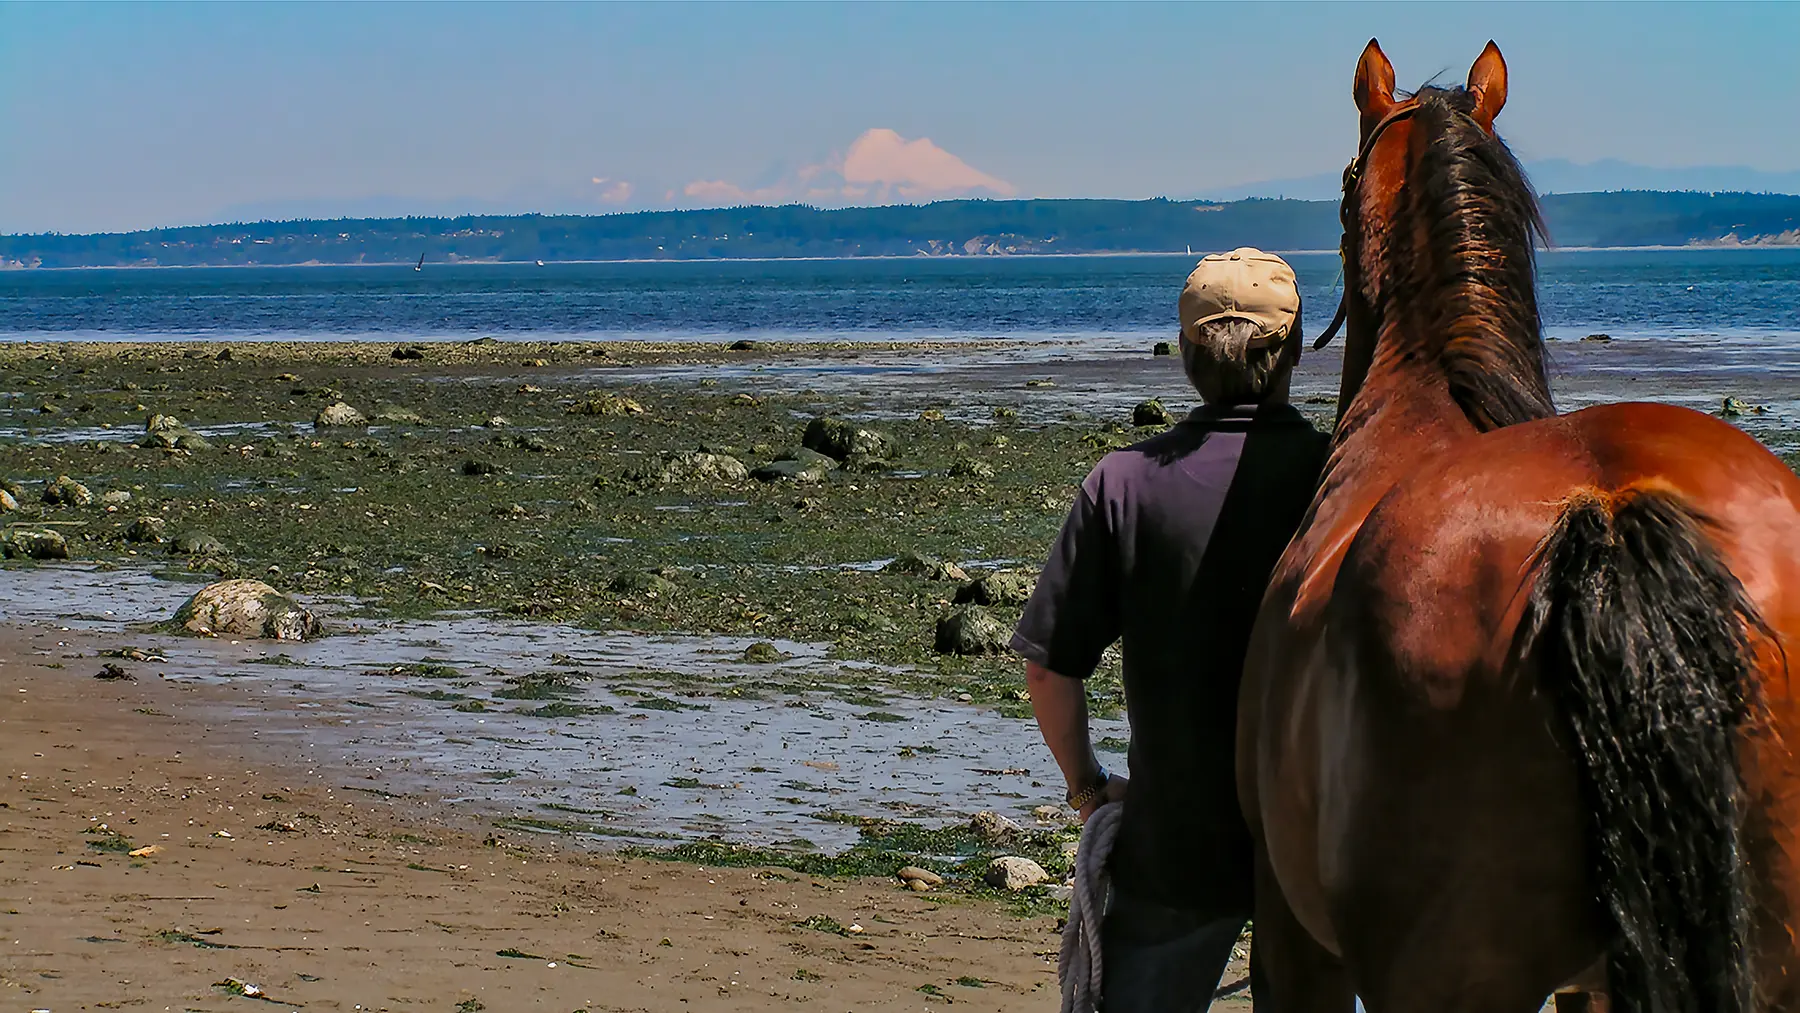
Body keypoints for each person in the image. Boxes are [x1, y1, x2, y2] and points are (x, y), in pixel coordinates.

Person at [1012, 248, 1331, 1012]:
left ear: (1188, 355)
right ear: (1290, 353)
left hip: (1179, 841)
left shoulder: (1122, 483)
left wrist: (1088, 785)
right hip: (1324, 845)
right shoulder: (1339, 478)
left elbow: (1049, 669)